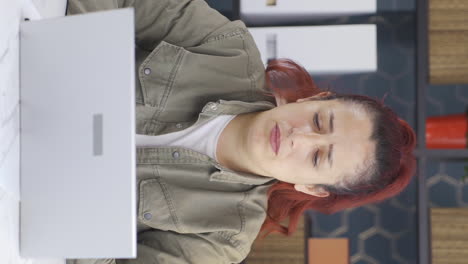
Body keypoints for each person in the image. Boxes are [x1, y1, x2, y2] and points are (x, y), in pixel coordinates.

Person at [65, 0, 417, 263]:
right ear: (316, 98)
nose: (298, 137)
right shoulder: (225, 46)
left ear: (311, 187)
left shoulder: (224, 238)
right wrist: (64, 59)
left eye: (316, 156)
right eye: (318, 121)